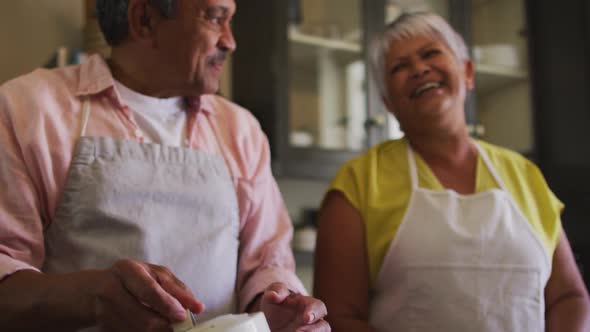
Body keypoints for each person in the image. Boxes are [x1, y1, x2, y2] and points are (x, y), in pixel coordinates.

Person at [0, 0, 330, 331]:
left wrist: (279, 307)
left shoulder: (241, 131)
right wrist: (87, 297)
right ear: (144, 19)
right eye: (215, 18)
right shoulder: (29, 109)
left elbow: (266, 264)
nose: (230, 41)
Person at [314, 11, 590, 332]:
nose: (419, 69)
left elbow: (569, 296)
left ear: (468, 72)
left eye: (430, 53)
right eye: (400, 67)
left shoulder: (525, 175)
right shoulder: (359, 182)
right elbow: (339, 316)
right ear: (387, 103)